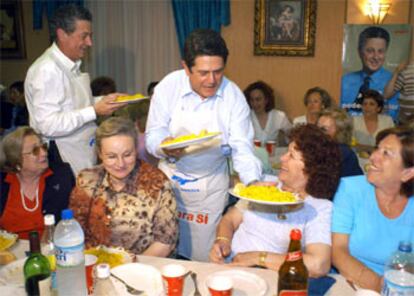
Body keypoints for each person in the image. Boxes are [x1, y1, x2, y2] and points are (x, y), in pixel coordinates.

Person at [145, 28, 263, 261]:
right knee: (163, 251)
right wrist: (163, 146)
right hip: (170, 180)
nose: (212, 80)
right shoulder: (168, 87)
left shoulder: (233, 96)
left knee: (203, 258)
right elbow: (152, 135)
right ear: (186, 67)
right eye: (203, 73)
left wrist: (254, 184)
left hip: (210, 186)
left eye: (218, 72)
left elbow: (242, 148)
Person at [209, 124, 341, 277]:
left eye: (291, 155)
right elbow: (230, 219)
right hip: (228, 265)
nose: (282, 158)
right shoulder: (266, 185)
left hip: (267, 276)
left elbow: (319, 265)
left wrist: (257, 258)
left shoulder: (318, 207)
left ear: (311, 168)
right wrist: (222, 240)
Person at [24, 4, 126, 176]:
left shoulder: (71, 64)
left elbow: (73, 105)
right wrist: (94, 110)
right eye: (84, 36)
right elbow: (47, 125)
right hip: (64, 164)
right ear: (62, 34)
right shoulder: (47, 70)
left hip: (83, 157)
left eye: (90, 36)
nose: (89, 43)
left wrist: (105, 101)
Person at [69, 117, 178, 256]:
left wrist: (129, 269)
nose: (120, 164)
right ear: (100, 154)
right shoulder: (87, 180)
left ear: (136, 151)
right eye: (111, 156)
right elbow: (76, 230)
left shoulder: (156, 183)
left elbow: (165, 243)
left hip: (142, 268)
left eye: (127, 155)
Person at [332, 126, 414, 292]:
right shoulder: (350, 189)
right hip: (351, 283)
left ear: (407, 173)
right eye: (377, 149)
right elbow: (337, 251)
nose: (373, 157)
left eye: (386, 153)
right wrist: (380, 286)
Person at [0, 127, 74, 239]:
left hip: (52, 247)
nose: (44, 153)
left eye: (43, 147)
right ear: (16, 160)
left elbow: (72, 220)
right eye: (35, 151)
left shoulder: (61, 176)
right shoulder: (3, 182)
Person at [340, 26, 399, 120]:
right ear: (359, 52)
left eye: (380, 51)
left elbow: (394, 118)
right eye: (370, 51)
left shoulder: (394, 82)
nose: (375, 57)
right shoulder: (345, 81)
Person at [317, 107, 363, 177]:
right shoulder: (318, 146)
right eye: (316, 128)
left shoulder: (343, 153)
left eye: (324, 129)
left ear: (339, 131)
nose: (317, 132)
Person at [244, 81, 291, 145]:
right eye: (252, 100)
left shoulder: (279, 116)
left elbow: (292, 135)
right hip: (251, 154)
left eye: (258, 99)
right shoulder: (245, 116)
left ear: (266, 100)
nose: (255, 104)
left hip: (274, 154)